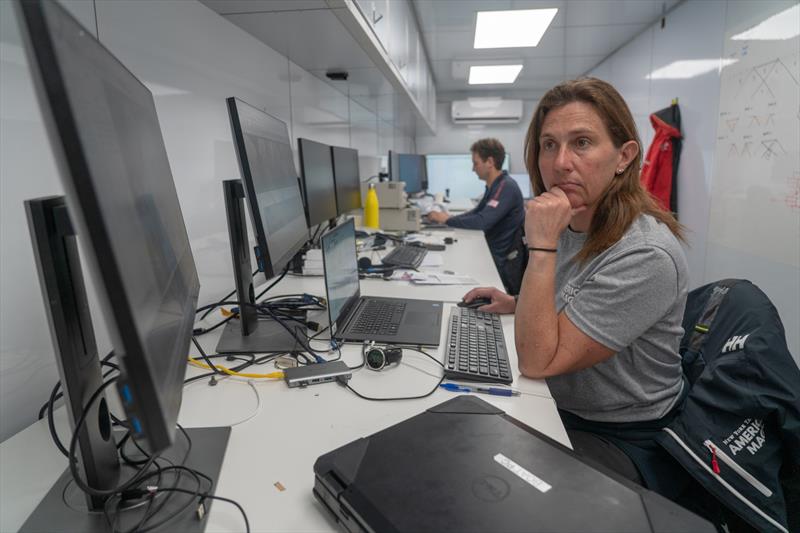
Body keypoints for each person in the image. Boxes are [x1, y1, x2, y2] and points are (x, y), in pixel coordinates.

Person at [463, 78, 691, 496]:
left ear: (623, 157)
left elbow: (536, 360)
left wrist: (542, 245)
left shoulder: (646, 254)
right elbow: (572, 296)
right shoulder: (573, 219)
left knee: (483, 478)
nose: (561, 162)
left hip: (622, 433)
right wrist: (516, 301)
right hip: (562, 403)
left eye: (581, 142)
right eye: (549, 145)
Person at [427, 138, 524, 279]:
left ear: (490, 162)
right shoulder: (496, 185)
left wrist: (447, 219)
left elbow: (482, 221)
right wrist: (450, 219)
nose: (473, 169)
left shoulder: (506, 186)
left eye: (475, 163)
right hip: (492, 252)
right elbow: (477, 212)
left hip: (500, 261)